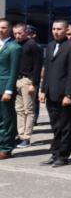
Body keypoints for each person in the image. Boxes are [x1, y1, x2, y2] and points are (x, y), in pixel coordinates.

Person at [39, 20, 71, 167]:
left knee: (65, 126)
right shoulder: (50, 46)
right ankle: (55, 152)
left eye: (59, 29)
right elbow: (47, 70)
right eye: (53, 29)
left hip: (64, 95)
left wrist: (68, 94)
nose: (55, 31)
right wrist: (43, 90)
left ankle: (63, 156)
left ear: (66, 30)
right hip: (51, 92)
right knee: (55, 126)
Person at [13, 23, 41, 149]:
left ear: (26, 32)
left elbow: (37, 66)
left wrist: (34, 84)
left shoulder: (32, 45)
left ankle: (26, 137)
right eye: (15, 33)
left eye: (20, 33)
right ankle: (20, 134)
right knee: (19, 109)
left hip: (28, 81)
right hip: (17, 80)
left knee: (28, 110)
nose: (17, 36)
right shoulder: (16, 45)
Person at [0, 20, 23, 158]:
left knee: (7, 119)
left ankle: (6, 148)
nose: (0, 30)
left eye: (3, 27)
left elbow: (14, 71)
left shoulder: (14, 47)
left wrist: (9, 90)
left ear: (9, 29)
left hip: (5, 88)